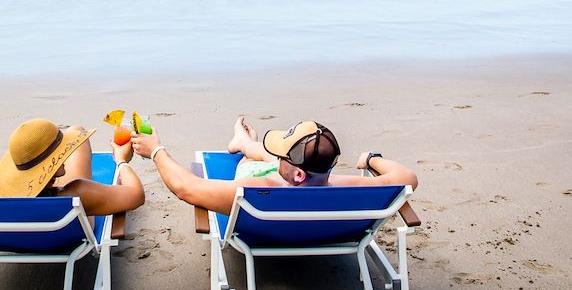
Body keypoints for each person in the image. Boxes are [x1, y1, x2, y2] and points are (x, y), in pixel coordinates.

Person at [131, 116, 417, 215]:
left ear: (298, 173)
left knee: (258, 162)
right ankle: (244, 142)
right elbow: (407, 178)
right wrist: (371, 159)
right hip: (328, 223)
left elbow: (187, 188)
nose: (279, 158)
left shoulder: (257, 190)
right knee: (267, 159)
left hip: (269, 220)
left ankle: (243, 145)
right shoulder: (351, 187)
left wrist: (155, 150)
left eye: (284, 156)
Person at [0, 118, 144, 216]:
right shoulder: (77, 195)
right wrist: (121, 160)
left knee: (75, 129)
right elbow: (136, 195)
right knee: (76, 130)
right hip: (65, 234)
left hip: (23, 239)